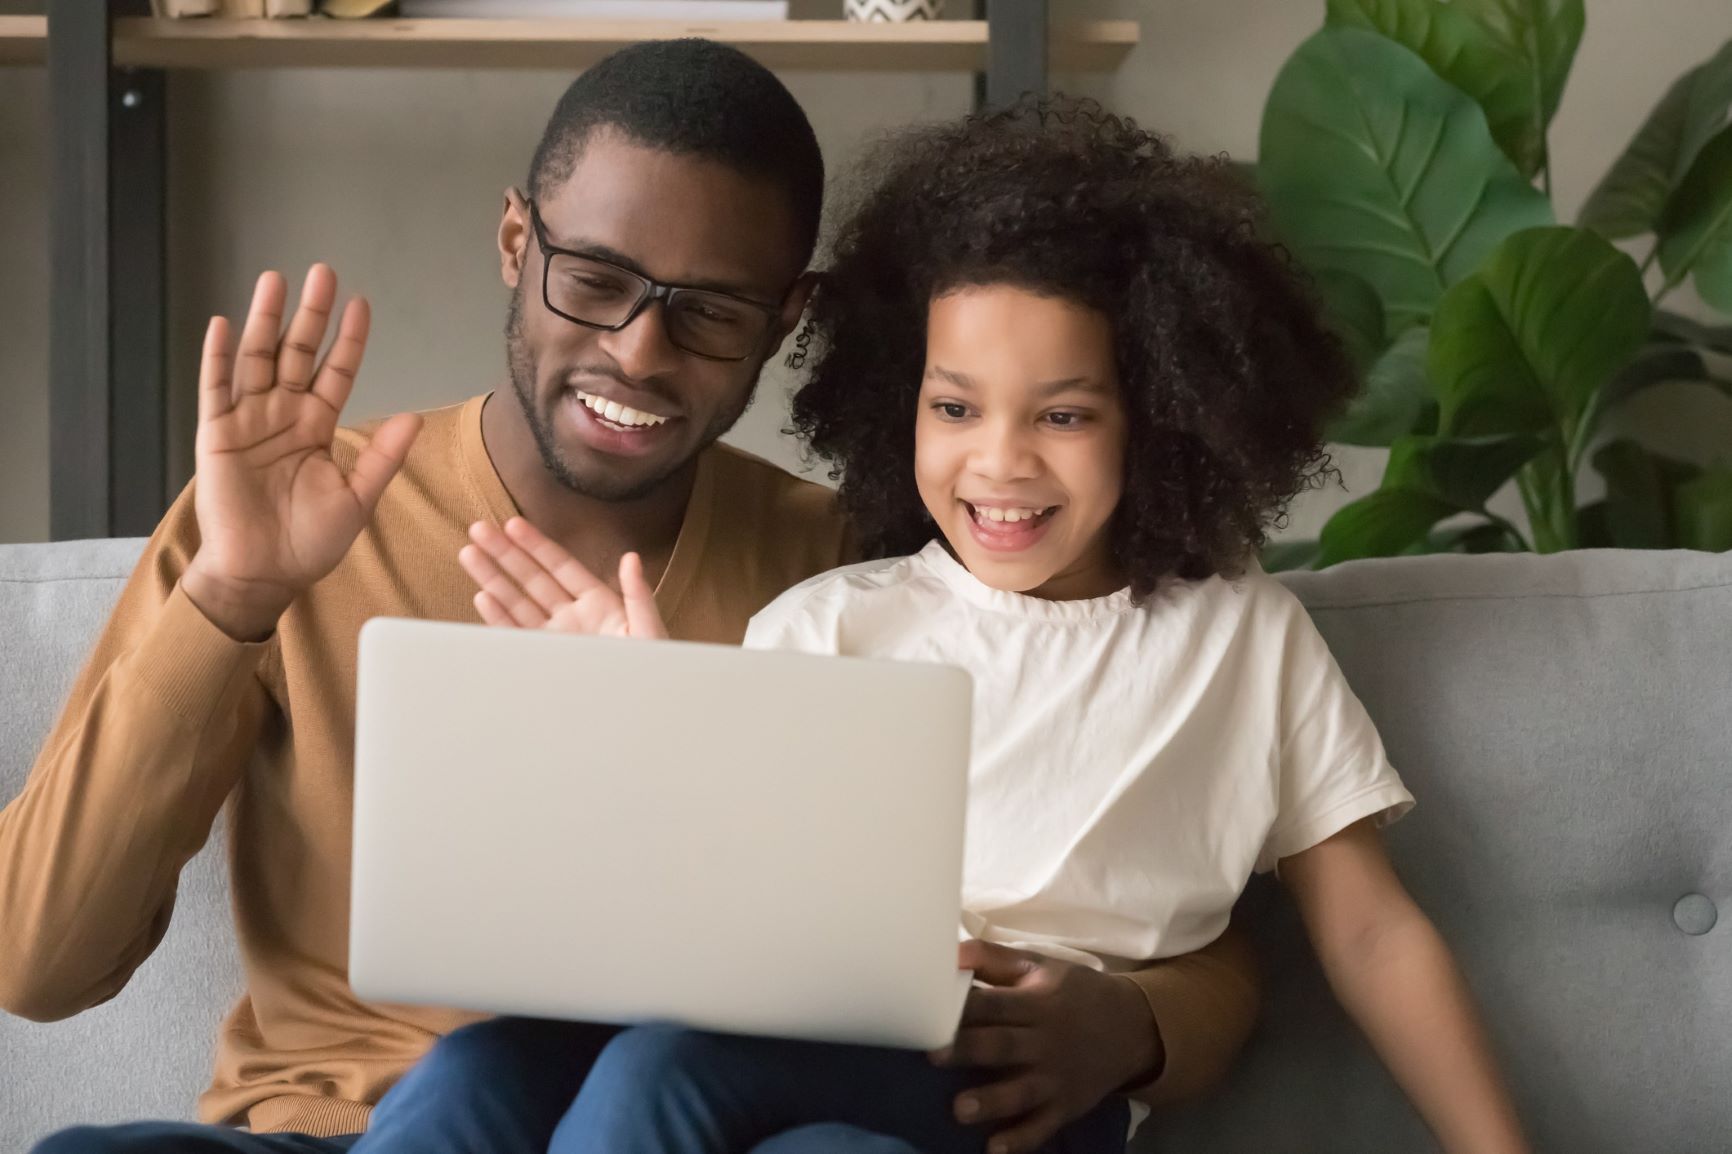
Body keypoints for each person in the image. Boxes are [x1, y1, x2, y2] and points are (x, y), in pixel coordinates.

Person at [3, 42, 1257, 1154]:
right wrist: (232, 592)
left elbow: (1141, 885)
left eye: (707, 314)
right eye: (593, 281)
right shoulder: (278, 518)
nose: (637, 352)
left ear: (785, 319)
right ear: (514, 242)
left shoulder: (854, 576)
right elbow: (35, 961)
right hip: (353, 1124)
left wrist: (1137, 1024)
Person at [414, 97, 1533, 1154]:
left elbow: (1373, 933)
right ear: (899, 395)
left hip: (1033, 1077)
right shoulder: (828, 624)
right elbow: (737, 917)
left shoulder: (1245, 640)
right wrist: (661, 731)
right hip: (823, 1043)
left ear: (1166, 410)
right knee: (479, 1072)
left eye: (1062, 413)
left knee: (666, 1076)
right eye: (954, 407)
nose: (999, 460)